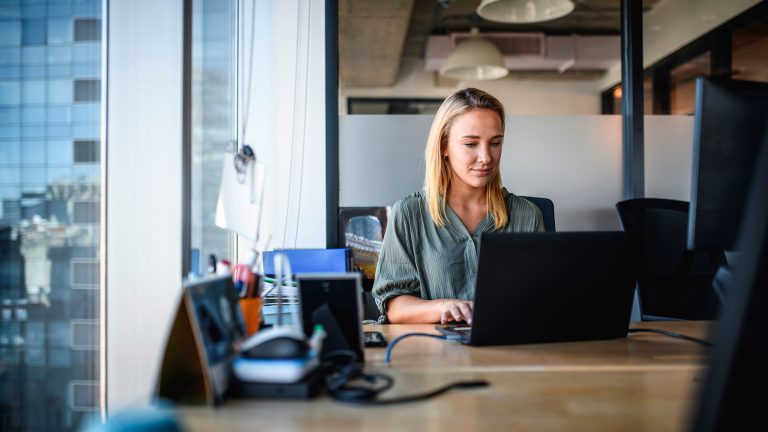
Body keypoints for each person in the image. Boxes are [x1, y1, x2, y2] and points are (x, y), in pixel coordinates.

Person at [372, 88, 544, 324]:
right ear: (444, 146)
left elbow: (542, 298)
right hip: (437, 353)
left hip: (510, 349)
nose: (486, 157)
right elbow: (394, 306)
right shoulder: (409, 213)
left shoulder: (527, 215)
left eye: (495, 143)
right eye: (471, 144)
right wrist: (444, 307)